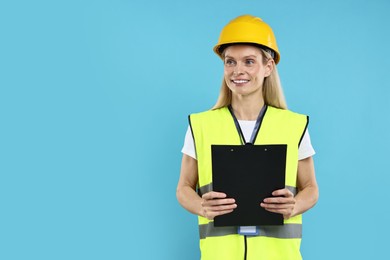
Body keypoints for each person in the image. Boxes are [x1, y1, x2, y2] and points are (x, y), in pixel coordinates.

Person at [176, 14, 319, 260]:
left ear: (268, 66)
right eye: (230, 62)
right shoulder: (201, 125)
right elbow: (183, 188)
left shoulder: (294, 125)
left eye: (249, 62)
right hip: (219, 255)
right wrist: (201, 206)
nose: (237, 70)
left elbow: (311, 188)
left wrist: (294, 205)